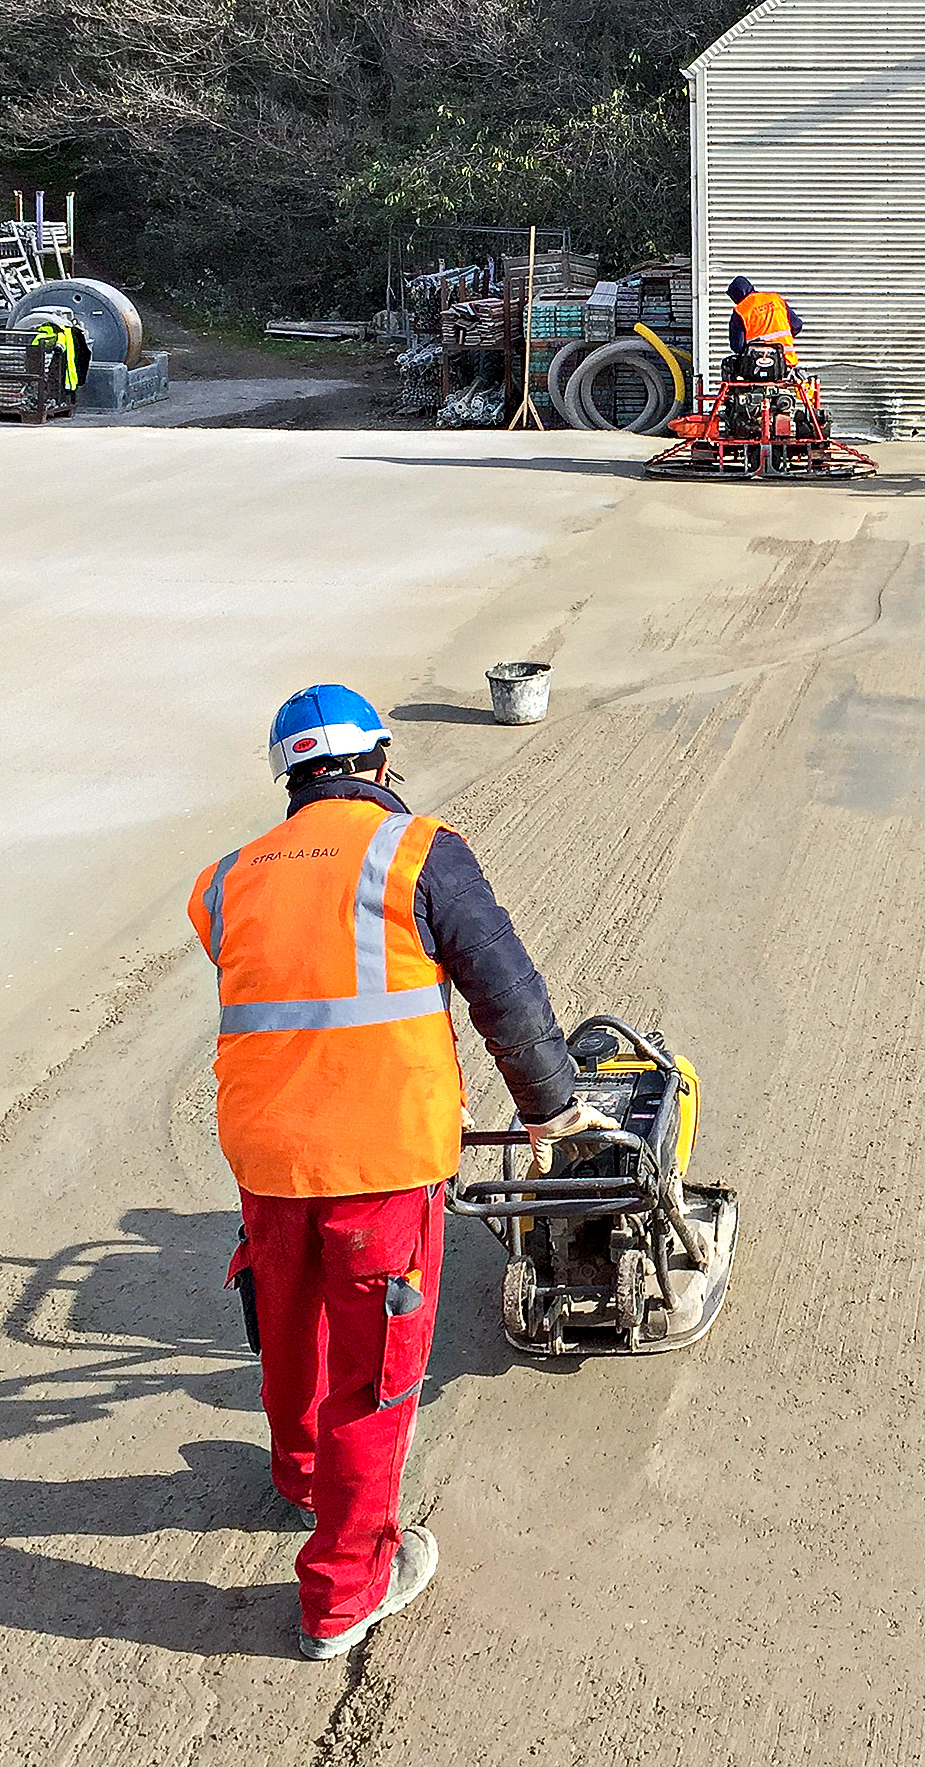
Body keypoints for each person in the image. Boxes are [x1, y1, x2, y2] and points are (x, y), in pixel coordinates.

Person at [189, 686, 615, 1660]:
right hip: (378, 1162)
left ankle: (302, 1479)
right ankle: (347, 1591)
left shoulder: (227, 879)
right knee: (374, 1376)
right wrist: (550, 1103)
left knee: (290, 1326)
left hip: (266, 1156)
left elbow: (300, 988)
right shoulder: (418, 851)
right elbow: (502, 988)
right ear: (379, 765)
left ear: (290, 778)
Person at [726, 276, 802, 378]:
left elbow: (737, 346)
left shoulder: (740, 310)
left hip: (752, 367)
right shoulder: (775, 299)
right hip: (784, 362)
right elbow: (797, 325)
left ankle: (737, 394)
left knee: (728, 364)